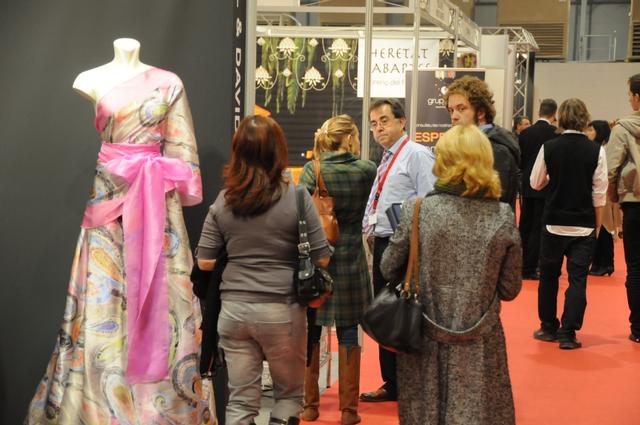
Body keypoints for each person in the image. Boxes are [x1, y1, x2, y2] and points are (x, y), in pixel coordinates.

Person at [26, 38, 211, 424]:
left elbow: (182, 148)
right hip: (108, 200)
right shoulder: (90, 79)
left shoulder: (169, 83)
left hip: (157, 204)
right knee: (101, 298)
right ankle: (97, 405)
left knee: (161, 299)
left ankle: (158, 409)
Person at [381, 124, 522, 425]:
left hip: (423, 337)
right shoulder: (502, 216)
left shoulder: (418, 210)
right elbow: (510, 289)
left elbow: (387, 267)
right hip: (481, 340)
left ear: (442, 161)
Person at [196, 115, 332, 425]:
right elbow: (322, 258)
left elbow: (204, 261)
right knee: (288, 397)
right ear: (277, 151)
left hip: (234, 312)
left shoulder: (224, 201)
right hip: (282, 311)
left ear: (238, 151)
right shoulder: (297, 196)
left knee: (240, 401)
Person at [298, 115, 376, 424]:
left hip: (319, 260)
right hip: (352, 259)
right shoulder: (366, 170)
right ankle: (348, 411)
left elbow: (300, 212)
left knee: (312, 330)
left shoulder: (312, 170)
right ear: (350, 139)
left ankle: (310, 405)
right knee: (348, 332)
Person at [360, 99, 436, 403]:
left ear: (402, 122)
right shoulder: (388, 156)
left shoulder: (416, 154)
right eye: (373, 124)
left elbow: (429, 202)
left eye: (384, 121)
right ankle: (392, 382)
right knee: (386, 311)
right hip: (383, 243)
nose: (378, 128)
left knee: (402, 312)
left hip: (403, 246)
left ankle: (407, 383)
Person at [530, 98, 607, 350]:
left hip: (553, 222)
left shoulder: (549, 147)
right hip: (583, 225)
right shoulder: (596, 150)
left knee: (549, 277)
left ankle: (548, 327)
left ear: (560, 117)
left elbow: (535, 183)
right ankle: (568, 332)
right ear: (585, 118)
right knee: (577, 280)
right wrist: (597, 227)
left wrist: (552, 178)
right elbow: (599, 194)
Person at [445, 75, 521, 209]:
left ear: (480, 113)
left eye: (461, 109)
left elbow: (492, 205)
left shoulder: (495, 149)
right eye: (451, 110)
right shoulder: (471, 145)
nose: (454, 116)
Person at [605, 73, 640, 343]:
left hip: (634, 203)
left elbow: (611, 168)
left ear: (637, 97)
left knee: (635, 268)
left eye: (629, 95)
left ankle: (638, 327)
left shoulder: (622, 128)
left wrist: (613, 199)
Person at [518, 99, 558, 280]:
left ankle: (521, 264)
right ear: (554, 114)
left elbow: (520, 160)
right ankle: (532, 266)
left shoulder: (525, 133)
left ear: (539, 112)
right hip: (546, 186)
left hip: (527, 186)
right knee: (539, 228)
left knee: (525, 225)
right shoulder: (555, 134)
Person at [586, 120, 618, 276]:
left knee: (603, 227)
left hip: (603, 192)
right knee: (600, 228)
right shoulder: (597, 148)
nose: (588, 133)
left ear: (599, 132)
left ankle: (603, 263)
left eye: (591, 130)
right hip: (599, 191)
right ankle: (601, 263)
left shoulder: (603, 150)